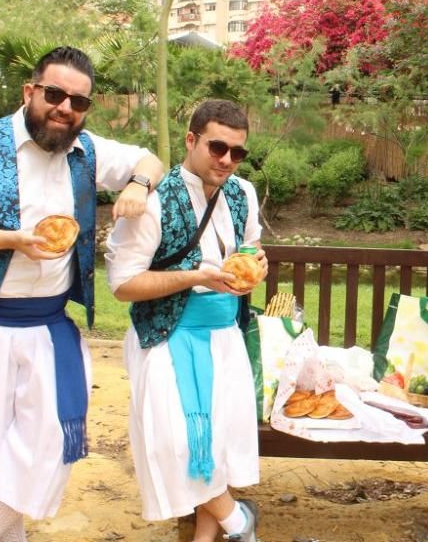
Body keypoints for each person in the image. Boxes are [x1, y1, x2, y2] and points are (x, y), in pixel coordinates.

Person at [0, 46, 164, 541]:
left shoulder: (87, 150)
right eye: (54, 94)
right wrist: (13, 239)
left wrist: (136, 184)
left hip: (47, 325)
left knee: (45, 444)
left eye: (78, 101)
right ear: (30, 92)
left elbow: (150, 159)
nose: (65, 108)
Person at [106, 99, 266, 542]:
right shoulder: (156, 201)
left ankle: (206, 537)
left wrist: (255, 264)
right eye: (218, 148)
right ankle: (240, 524)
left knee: (214, 447)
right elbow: (122, 285)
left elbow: (249, 248)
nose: (228, 160)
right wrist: (196, 277)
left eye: (238, 152)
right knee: (175, 446)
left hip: (224, 336)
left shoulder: (242, 193)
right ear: (191, 140)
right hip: (166, 335)